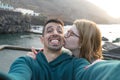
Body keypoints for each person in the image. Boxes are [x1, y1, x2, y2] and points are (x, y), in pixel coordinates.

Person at [28, 19, 120, 80]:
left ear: (82, 42)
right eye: (66, 32)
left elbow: (109, 70)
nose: (64, 36)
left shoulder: (94, 66)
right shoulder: (71, 57)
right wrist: (42, 54)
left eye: (70, 34)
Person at [3, 18, 89, 80]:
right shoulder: (27, 61)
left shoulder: (76, 64)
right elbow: (18, 75)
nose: (55, 33)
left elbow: (91, 72)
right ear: (42, 39)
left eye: (59, 31)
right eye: (49, 31)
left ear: (63, 40)